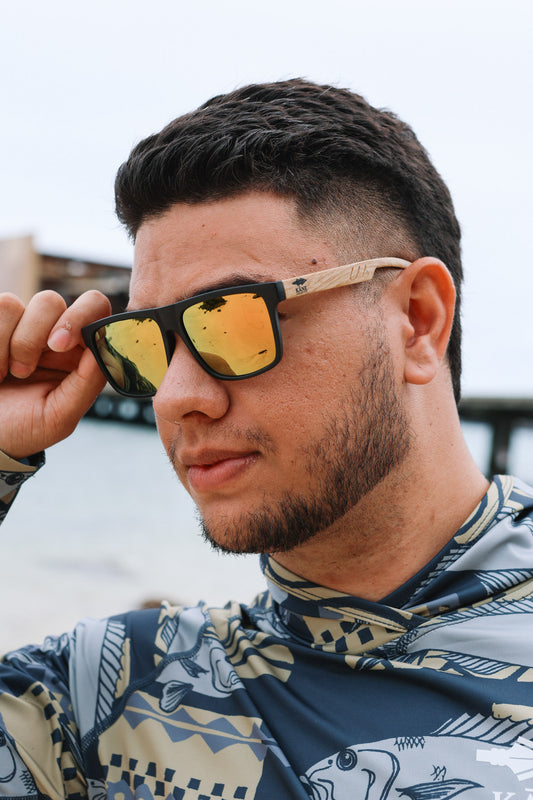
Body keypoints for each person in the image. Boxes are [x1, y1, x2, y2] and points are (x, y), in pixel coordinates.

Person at [0, 79, 532, 799]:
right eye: (145, 342)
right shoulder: (108, 703)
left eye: (232, 319)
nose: (175, 396)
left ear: (417, 321)